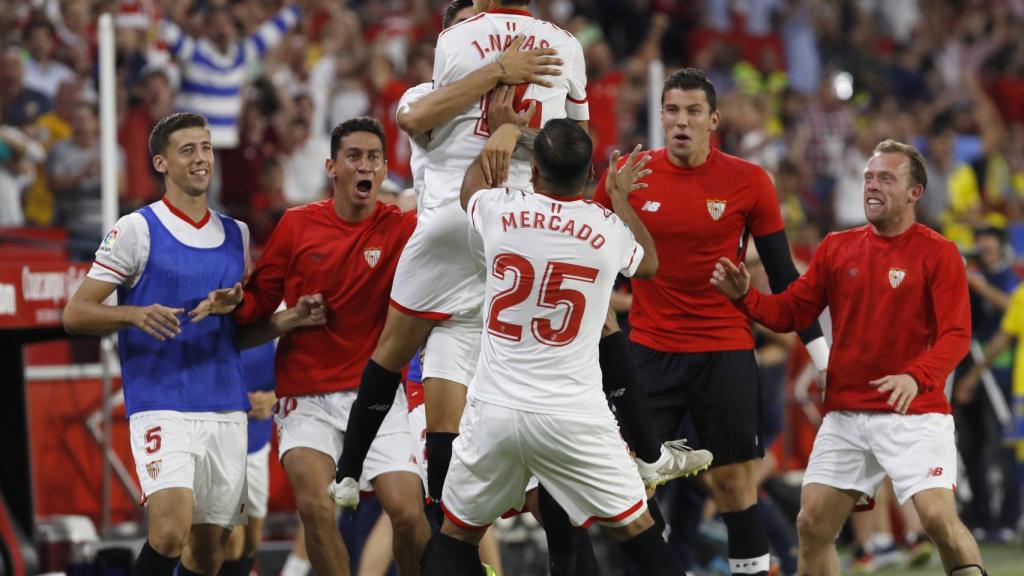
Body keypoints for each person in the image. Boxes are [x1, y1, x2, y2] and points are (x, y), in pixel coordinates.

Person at [591, 67, 830, 576]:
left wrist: (821, 356)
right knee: (628, 485)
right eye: (672, 110)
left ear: (713, 119)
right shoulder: (629, 177)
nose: (681, 121)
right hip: (649, 355)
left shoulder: (748, 182)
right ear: (660, 116)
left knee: (733, 486)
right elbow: (580, 250)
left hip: (724, 350)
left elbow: (785, 274)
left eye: (693, 111)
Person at [710, 139, 986, 576]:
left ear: (915, 193)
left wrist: (915, 377)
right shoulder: (837, 247)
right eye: (869, 178)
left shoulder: (938, 252)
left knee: (939, 520)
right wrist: (747, 298)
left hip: (913, 415)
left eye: (886, 179)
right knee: (812, 523)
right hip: (846, 416)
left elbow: (956, 336)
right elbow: (792, 312)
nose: (872, 186)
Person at [420, 115, 681, 575]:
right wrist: (620, 200)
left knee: (456, 534)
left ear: (534, 171)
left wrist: (499, 132)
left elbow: (469, 193)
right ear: (590, 178)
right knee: (638, 530)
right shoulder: (605, 231)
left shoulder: (502, 211)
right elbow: (651, 263)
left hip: (495, 410)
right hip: (573, 415)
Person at [60, 112, 308, 576]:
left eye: (206, 147)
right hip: (162, 402)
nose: (200, 158)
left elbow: (240, 333)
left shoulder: (237, 234)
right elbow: (75, 313)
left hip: (225, 407)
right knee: (170, 532)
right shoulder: (136, 229)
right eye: (187, 150)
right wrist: (132, 313)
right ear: (161, 162)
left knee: (211, 551)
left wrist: (287, 319)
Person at [229, 117, 429, 576]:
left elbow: (460, 214)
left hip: (377, 394)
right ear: (331, 167)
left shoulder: (402, 229)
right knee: (316, 508)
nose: (365, 164)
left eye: (373, 157)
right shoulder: (297, 225)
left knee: (407, 511)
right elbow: (251, 321)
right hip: (307, 396)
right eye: (354, 156)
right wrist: (280, 313)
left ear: (383, 171)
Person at [219, 340, 278, 576]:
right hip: (215, 438)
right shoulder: (207, 312)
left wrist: (275, 398)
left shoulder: (281, 312)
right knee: (229, 538)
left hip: (255, 442)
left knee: (251, 540)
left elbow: (303, 372)